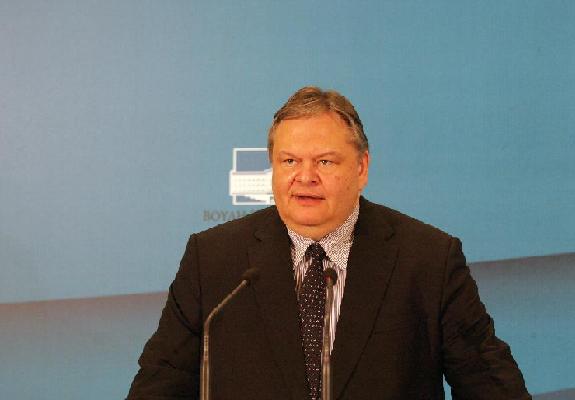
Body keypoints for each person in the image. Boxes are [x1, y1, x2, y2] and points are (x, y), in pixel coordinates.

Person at [127, 87, 531, 399]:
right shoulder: (214, 261)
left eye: (324, 161)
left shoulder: (427, 261)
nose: (304, 177)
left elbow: (492, 387)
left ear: (361, 168)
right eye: (289, 161)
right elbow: (159, 387)